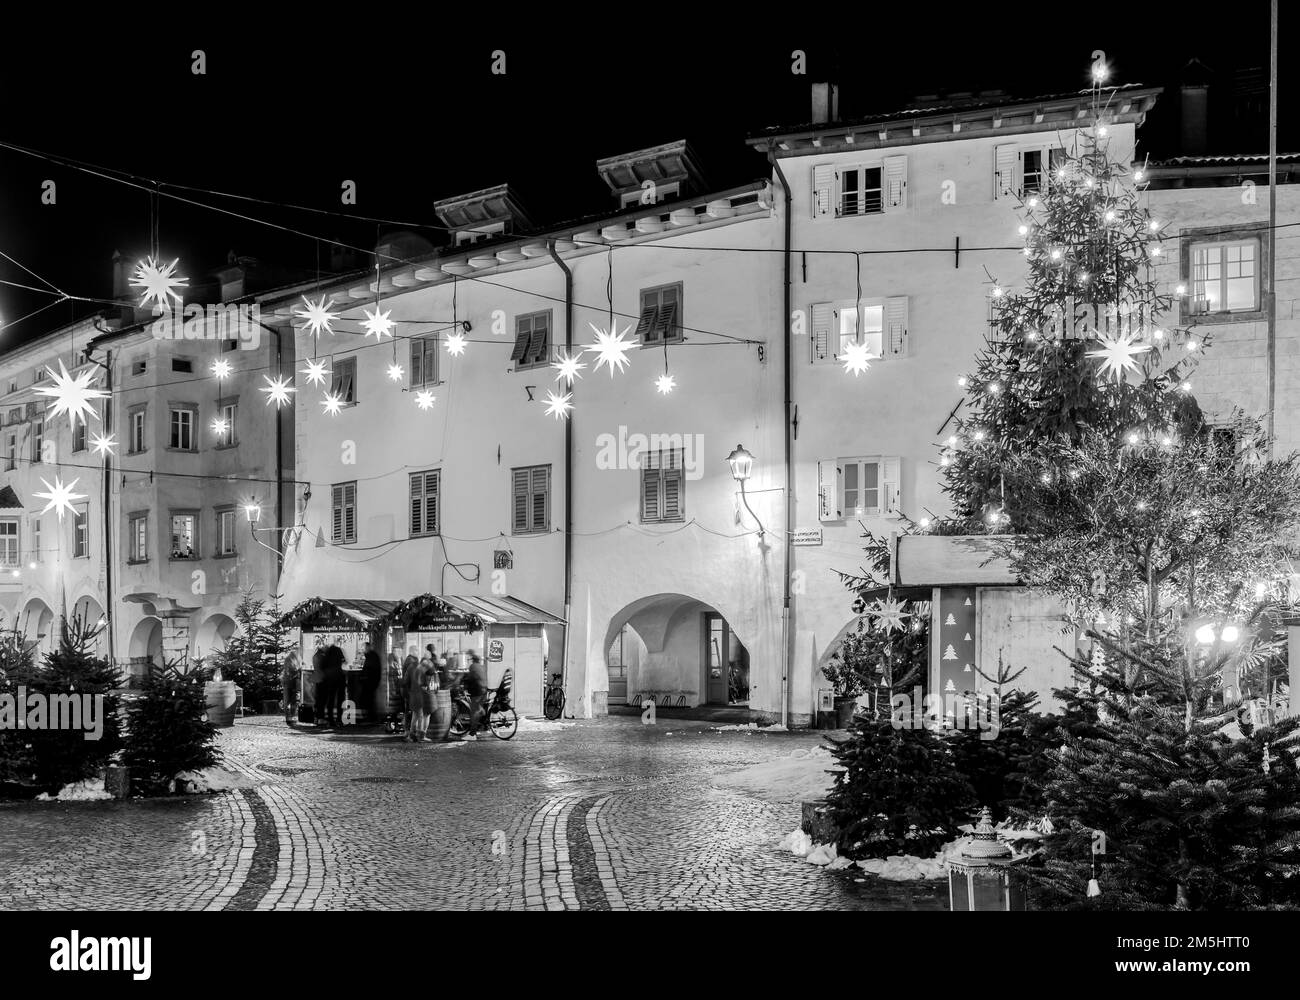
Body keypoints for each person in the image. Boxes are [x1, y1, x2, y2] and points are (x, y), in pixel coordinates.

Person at [403, 646, 428, 742]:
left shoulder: (410, 665)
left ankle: (411, 735)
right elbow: (425, 682)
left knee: (415, 714)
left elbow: (405, 681)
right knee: (420, 715)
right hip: (419, 694)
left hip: (412, 693)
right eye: (417, 650)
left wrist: (409, 690)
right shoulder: (420, 666)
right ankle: (419, 736)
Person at [463, 649, 487, 740]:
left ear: (472, 660)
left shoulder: (473, 666)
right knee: (477, 709)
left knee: (473, 712)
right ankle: (482, 712)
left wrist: (465, 685)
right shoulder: (481, 666)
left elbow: (470, 678)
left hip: (477, 691)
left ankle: (472, 734)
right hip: (484, 691)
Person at [320, 643, 346, 727]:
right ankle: (339, 719)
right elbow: (344, 661)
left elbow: (322, 666)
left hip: (330, 679)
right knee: (340, 699)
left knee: (330, 699)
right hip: (339, 677)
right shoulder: (339, 650)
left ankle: (331, 720)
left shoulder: (327, 654)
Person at [360, 641, 382, 717]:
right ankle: (370, 715)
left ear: (368, 648)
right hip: (371, 681)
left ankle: (370, 716)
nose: (363, 649)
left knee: (369, 699)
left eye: (364, 648)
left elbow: (369, 668)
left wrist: (363, 677)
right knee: (370, 699)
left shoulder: (370, 656)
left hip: (370, 681)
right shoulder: (372, 656)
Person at [281, 650, 300, 723]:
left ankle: (288, 717)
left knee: (287, 701)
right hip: (293, 683)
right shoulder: (295, 663)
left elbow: (285, 672)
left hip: (287, 683)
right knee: (293, 701)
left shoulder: (287, 660)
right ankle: (292, 717)